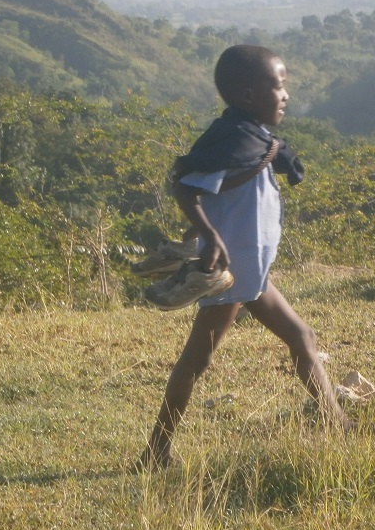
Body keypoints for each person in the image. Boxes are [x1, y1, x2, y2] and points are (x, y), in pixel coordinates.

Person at [137, 44, 361, 470]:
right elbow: (186, 187)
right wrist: (207, 236)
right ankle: (155, 451)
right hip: (229, 275)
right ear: (247, 95)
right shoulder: (232, 140)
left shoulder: (254, 139)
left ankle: (338, 425)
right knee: (196, 361)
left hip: (250, 273)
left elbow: (225, 193)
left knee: (302, 338)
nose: (285, 95)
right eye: (278, 86)